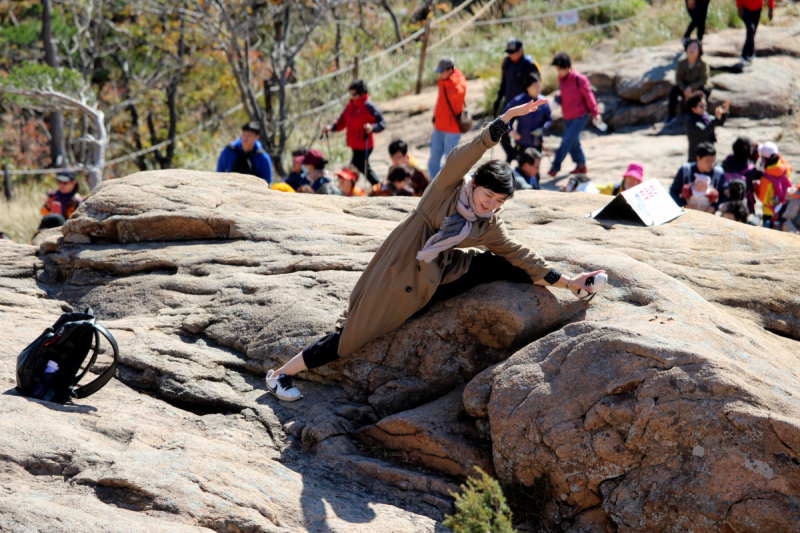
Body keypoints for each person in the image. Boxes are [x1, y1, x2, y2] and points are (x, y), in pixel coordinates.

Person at [263, 100, 605, 401]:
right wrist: (505, 119)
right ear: (476, 184)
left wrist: (571, 282)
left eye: (500, 202)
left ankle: (577, 286)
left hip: (442, 270)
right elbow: (464, 153)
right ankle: (281, 374)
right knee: (352, 337)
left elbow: (521, 255)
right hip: (402, 266)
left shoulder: (488, 224)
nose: (491, 205)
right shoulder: (446, 189)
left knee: (501, 265)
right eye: (489, 196)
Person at [547, 52, 601, 177]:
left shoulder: (579, 79)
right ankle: (581, 165)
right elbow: (566, 95)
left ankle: (555, 167)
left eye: (558, 68)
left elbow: (589, 96)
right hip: (567, 117)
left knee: (566, 141)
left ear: (566, 67)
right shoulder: (562, 79)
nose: (557, 71)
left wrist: (596, 113)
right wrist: (558, 100)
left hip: (579, 117)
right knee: (574, 142)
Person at [323, 80, 386, 186]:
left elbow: (382, 123)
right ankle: (380, 187)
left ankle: (347, 189)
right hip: (354, 145)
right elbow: (342, 121)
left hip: (365, 145)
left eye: (354, 94)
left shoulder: (368, 106)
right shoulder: (351, 105)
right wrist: (332, 128)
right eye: (351, 94)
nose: (352, 96)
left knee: (352, 169)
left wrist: (372, 128)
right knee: (364, 168)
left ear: (362, 92)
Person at [492, 38, 541, 162]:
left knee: (523, 134)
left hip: (525, 106)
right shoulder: (506, 62)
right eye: (509, 52)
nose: (510, 55)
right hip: (509, 103)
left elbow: (537, 83)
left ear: (520, 51)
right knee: (500, 130)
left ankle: (524, 157)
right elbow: (504, 82)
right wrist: (498, 99)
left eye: (513, 52)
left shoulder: (529, 63)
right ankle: (511, 153)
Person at [429, 57, 468, 180]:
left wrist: (451, 79)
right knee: (434, 158)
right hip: (439, 126)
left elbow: (458, 93)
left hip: (452, 129)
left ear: (450, 70)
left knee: (450, 161)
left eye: (442, 71)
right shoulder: (442, 80)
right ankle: (434, 185)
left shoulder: (459, 81)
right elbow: (440, 99)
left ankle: (450, 184)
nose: (440, 74)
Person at [503, 72, 552, 158]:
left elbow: (549, 119)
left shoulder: (543, 102)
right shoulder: (518, 101)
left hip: (537, 142)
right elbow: (505, 115)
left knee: (535, 168)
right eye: (535, 86)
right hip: (521, 142)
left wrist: (542, 129)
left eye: (539, 86)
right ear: (528, 87)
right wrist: (511, 131)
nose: (538, 88)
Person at [666, 39, 712, 125]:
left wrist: (691, 88)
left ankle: (702, 115)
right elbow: (678, 78)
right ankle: (671, 115)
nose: (692, 49)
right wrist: (685, 89)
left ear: (699, 50)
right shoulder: (681, 63)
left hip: (697, 87)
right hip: (685, 87)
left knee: (704, 93)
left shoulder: (703, 63)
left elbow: (703, 79)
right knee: (674, 90)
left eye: (695, 47)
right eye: (690, 47)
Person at [670, 142, 725, 207]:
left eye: (713, 161)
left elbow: (724, 195)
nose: (711, 165)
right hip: (688, 212)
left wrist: (714, 207)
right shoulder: (685, 170)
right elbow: (673, 192)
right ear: (698, 158)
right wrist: (684, 205)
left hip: (708, 214)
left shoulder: (718, 173)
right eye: (707, 161)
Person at [753, 141, 793, 228]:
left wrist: (756, 187)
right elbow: (779, 158)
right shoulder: (786, 167)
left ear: (763, 159)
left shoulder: (765, 178)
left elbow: (762, 199)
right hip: (784, 206)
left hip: (769, 211)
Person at [685, 92, 729, 162]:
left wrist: (723, 113)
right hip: (696, 158)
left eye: (705, 105)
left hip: (709, 154)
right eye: (701, 106)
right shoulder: (690, 120)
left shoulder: (705, 116)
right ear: (693, 108)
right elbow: (704, 131)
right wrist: (716, 119)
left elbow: (718, 123)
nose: (704, 108)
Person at [720, 136, 761, 213]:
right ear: (750, 151)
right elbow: (760, 175)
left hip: (725, 201)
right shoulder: (751, 170)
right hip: (745, 205)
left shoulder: (726, 163)